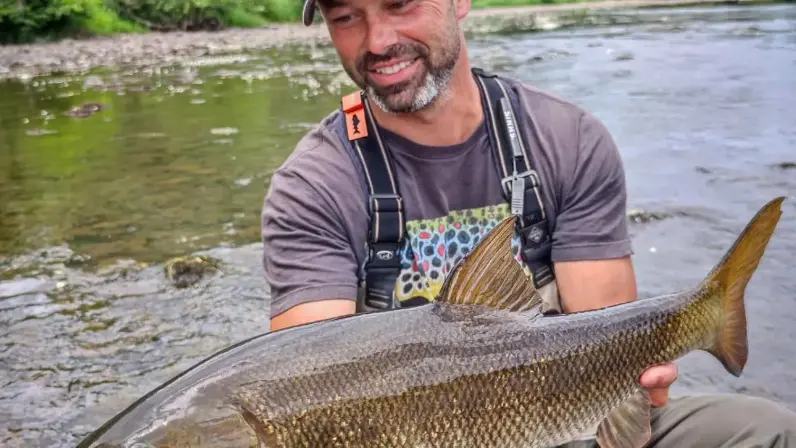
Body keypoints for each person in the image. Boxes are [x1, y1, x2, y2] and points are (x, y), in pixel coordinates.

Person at [260, 0, 796, 444]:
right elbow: (308, 389)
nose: (377, 41)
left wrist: (643, 380)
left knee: (766, 431)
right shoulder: (311, 188)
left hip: (559, 427)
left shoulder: (568, 139)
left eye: (400, 2)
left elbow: (607, 342)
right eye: (346, 16)